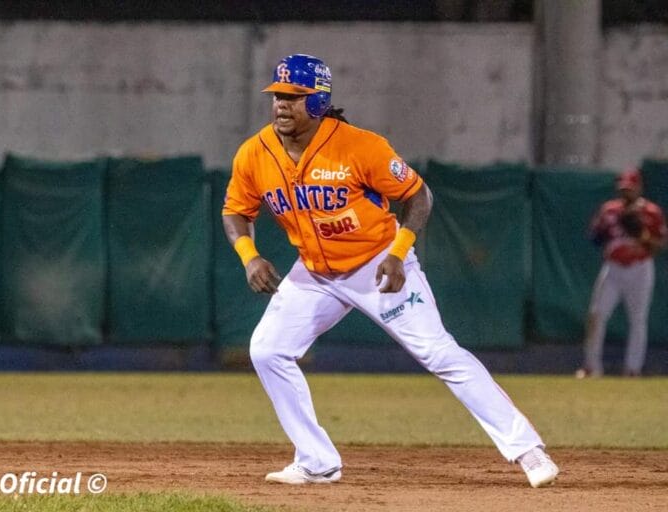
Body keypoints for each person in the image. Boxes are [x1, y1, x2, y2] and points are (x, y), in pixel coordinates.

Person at [222, 53, 559, 488]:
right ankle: (316, 461)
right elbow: (235, 209)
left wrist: (399, 252)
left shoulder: (360, 146)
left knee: (439, 352)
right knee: (267, 350)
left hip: (375, 265)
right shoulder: (255, 152)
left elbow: (419, 196)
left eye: (295, 96)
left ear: (319, 100)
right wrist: (249, 255)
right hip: (314, 273)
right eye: (277, 96)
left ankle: (528, 451)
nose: (282, 104)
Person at [576, 169, 667, 378]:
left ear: (639, 188)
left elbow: (660, 244)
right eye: (623, 188)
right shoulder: (610, 210)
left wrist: (642, 234)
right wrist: (603, 232)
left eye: (630, 188)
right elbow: (595, 237)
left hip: (640, 268)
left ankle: (633, 369)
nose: (626, 192)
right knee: (596, 315)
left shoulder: (651, 212)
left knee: (638, 320)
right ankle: (591, 367)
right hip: (613, 268)